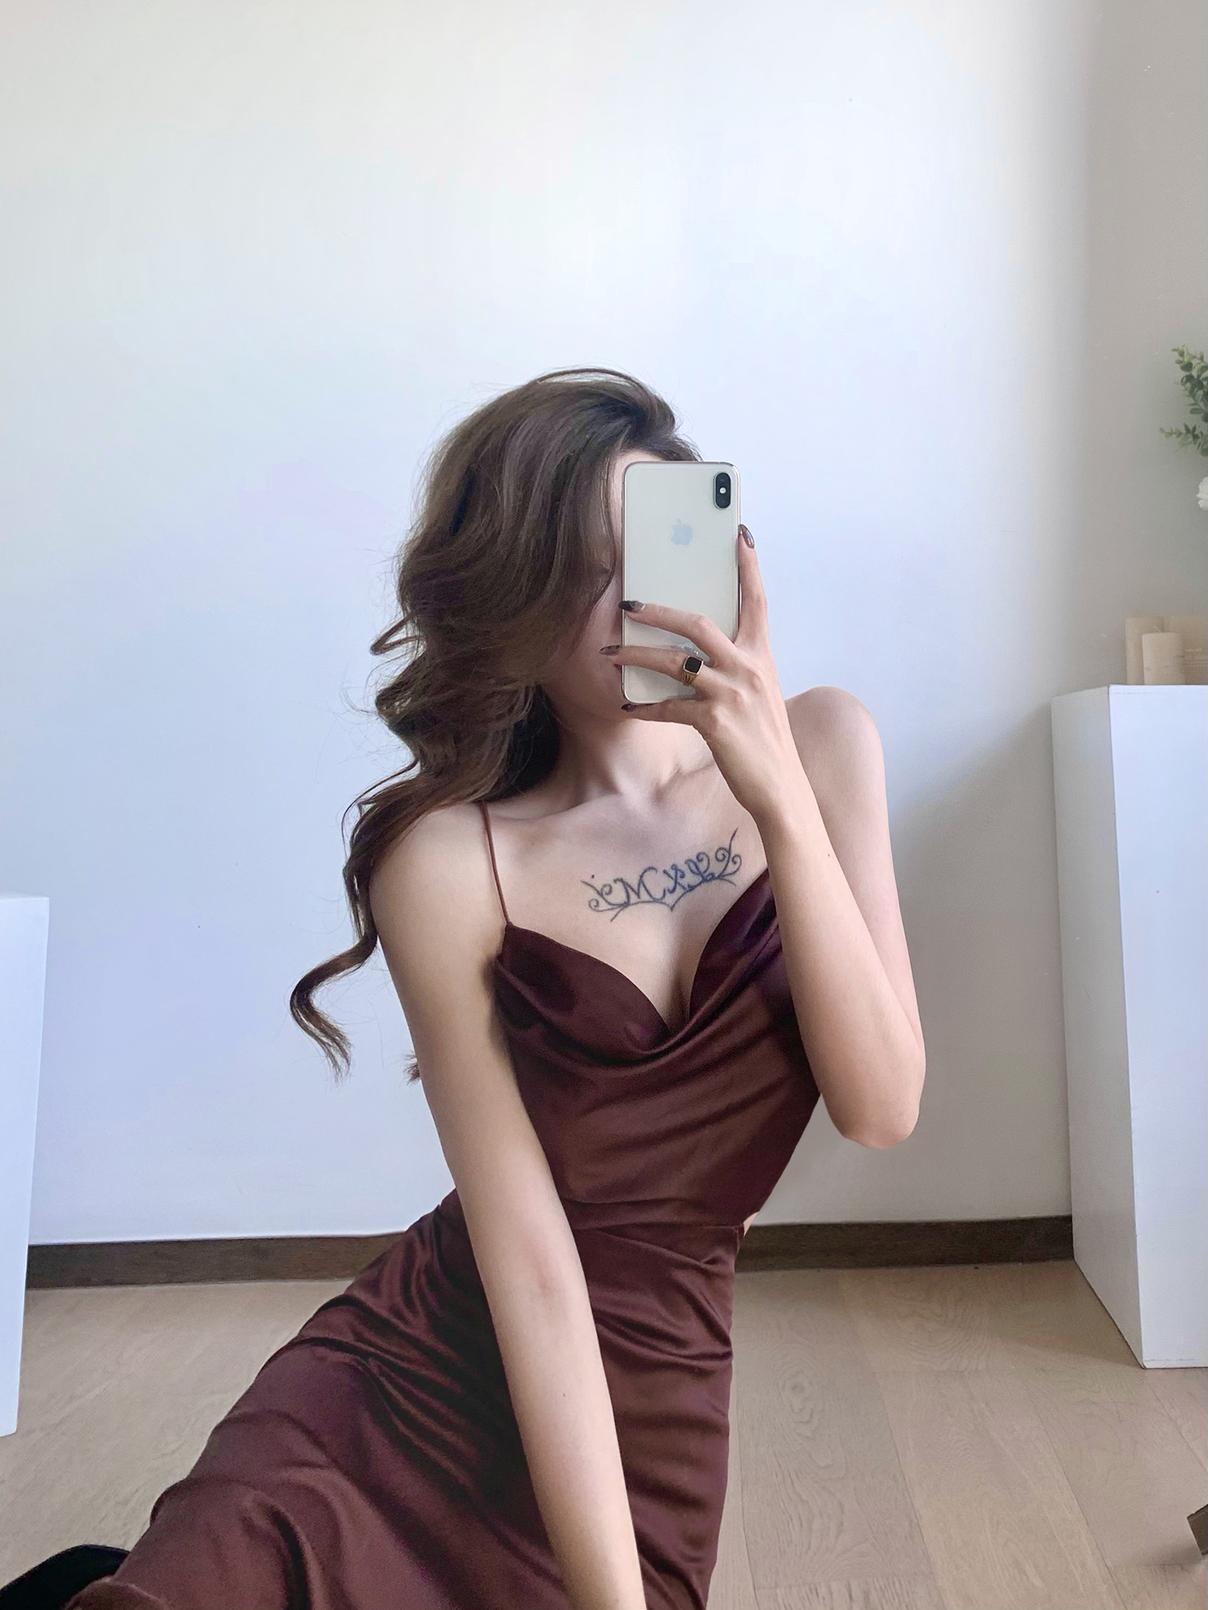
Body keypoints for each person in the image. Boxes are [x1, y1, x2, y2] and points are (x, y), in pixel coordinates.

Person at [6, 367, 924, 1609]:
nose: (633, 597)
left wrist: (774, 795)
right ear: (510, 600)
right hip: (404, 1388)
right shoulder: (446, 860)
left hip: (650, 1402)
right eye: (582, 567)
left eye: (658, 547)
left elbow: (880, 1105)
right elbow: (530, 1264)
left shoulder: (825, 744)